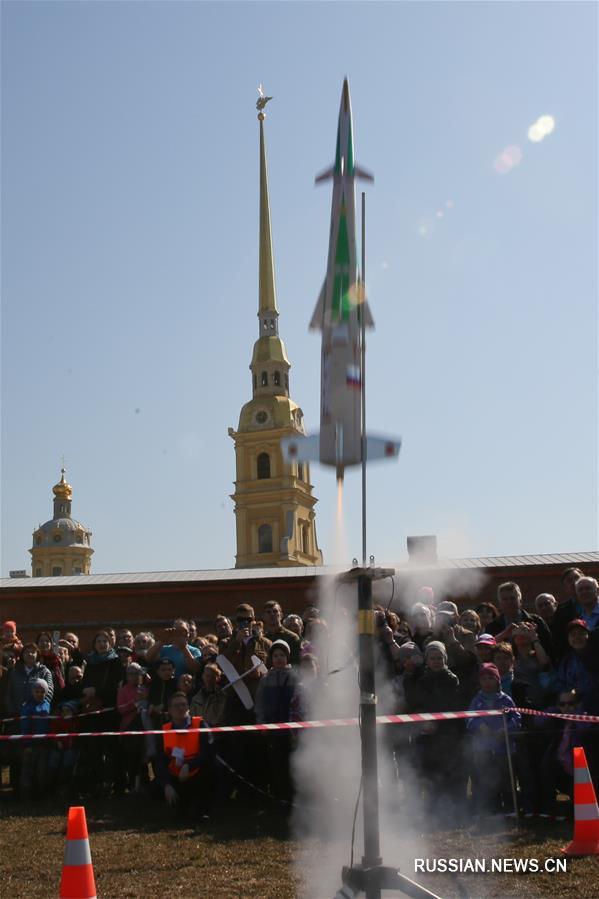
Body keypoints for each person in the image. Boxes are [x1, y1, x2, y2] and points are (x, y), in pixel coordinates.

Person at [466, 663, 520, 816]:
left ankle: (510, 807)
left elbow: (516, 718)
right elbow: (469, 719)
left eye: (491, 678)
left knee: (506, 778)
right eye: (483, 679)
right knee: (487, 779)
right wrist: (480, 726)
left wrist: (506, 729)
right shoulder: (477, 701)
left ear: (498, 680)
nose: (487, 682)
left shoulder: (506, 700)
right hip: (483, 748)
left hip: (504, 747)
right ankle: (492, 808)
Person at [255, 640, 299, 802]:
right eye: (275, 656)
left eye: (282, 655)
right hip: (273, 729)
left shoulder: (296, 677)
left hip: (292, 730)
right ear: (271, 659)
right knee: (276, 763)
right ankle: (281, 796)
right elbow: (259, 704)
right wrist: (262, 723)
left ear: (287, 657)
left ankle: (294, 796)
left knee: (292, 763)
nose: (279, 658)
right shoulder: (266, 679)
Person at [155, 692, 204, 817]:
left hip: (197, 772)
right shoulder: (164, 730)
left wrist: (189, 766)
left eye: (183, 705)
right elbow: (160, 761)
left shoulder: (201, 725)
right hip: (175, 775)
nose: (181, 708)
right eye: (176, 706)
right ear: (169, 710)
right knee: (155, 787)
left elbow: (208, 753)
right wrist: (167, 785)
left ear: (188, 707)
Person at [487, 582, 554, 660]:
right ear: (500, 604)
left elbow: (549, 649)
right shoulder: (493, 626)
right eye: (505, 599)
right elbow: (486, 651)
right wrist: (504, 634)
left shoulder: (536, 622)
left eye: (512, 598)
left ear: (520, 600)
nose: (509, 602)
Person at [555, 620, 599, 713]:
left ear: (588, 636)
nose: (577, 637)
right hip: (571, 708)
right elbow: (560, 683)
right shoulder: (567, 660)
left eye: (581, 634)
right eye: (573, 635)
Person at [18, 678, 51, 799]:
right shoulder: (27, 707)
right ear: (32, 692)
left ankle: (40, 796)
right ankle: (25, 796)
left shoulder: (47, 705)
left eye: (42, 691)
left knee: (41, 771)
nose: (39, 694)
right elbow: (24, 725)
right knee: (27, 771)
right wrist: (26, 742)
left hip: (43, 744)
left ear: (45, 692)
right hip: (30, 745)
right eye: (37, 691)